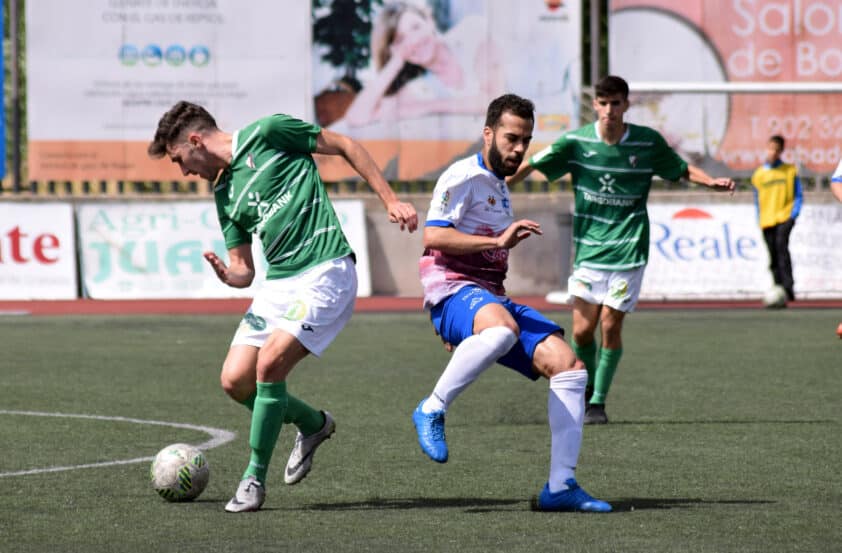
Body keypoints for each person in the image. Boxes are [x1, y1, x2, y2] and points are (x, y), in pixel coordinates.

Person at [147, 101, 418, 513]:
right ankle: (313, 424)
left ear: (196, 140)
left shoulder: (269, 131)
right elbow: (245, 270)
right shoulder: (223, 192)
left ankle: (253, 479)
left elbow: (344, 144)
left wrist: (390, 200)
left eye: (179, 159)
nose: (184, 171)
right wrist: (228, 274)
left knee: (270, 364)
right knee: (235, 380)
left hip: (325, 269)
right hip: (278, 285)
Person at [412, 93, 612, 512]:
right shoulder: (462, 177)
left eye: (526, 140)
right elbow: (433, 237)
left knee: (571, 369)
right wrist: (496, 242)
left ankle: (560, 486)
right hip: (453, 288)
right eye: (511, 138)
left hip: (488, 298)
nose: (519, 148)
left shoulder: (501, 186)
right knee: (502, 329)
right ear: (487, 133)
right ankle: (431, 408)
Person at [509, 75, 735, 425]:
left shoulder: (646, 143)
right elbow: (532, 165)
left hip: (628, 251)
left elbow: (679, 168)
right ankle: (584, 390)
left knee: (610, 326)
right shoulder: (575, 143)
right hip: (588, 253)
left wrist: (710, 181)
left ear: (626, 105)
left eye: (616, 103)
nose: (609, 110)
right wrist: (492, 183)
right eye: (603, 102)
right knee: (582, 330)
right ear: (595, 105)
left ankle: (597, 401)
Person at [339, 1, 503, 129]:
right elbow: (357, 117)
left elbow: (496, 102)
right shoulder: (421, 87)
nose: (413, 41)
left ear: (429, 21)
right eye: (400, 39)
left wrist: (426, 107)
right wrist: (395, 62)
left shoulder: (471, 31)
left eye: (415, 27)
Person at [750, 135, 802, 304]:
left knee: (782, 249)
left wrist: (793, 215)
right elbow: (757, 198)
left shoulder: (789, 171)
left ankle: (788, 288)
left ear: (781, 152)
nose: (772, 152)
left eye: (776, 149)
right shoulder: (759, 174)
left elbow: (798, 195)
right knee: (772, 254)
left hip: (784, 217)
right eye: (770, 148)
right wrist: (759, 217)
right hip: (767, 219)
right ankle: (777, 287)